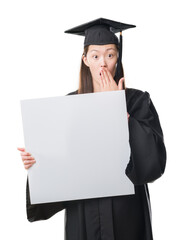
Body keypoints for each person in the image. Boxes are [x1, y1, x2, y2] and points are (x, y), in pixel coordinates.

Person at [17, 18, 167, 240]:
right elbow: (63, 162)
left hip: (127, 210)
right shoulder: (68, 106)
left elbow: (153, 160)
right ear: (85, 59)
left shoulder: (137, 101)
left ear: (118, 58)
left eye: (110, 54)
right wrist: (38, 163)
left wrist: (116, 108)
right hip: (84, 212)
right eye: (95, 56)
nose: (103, 63)